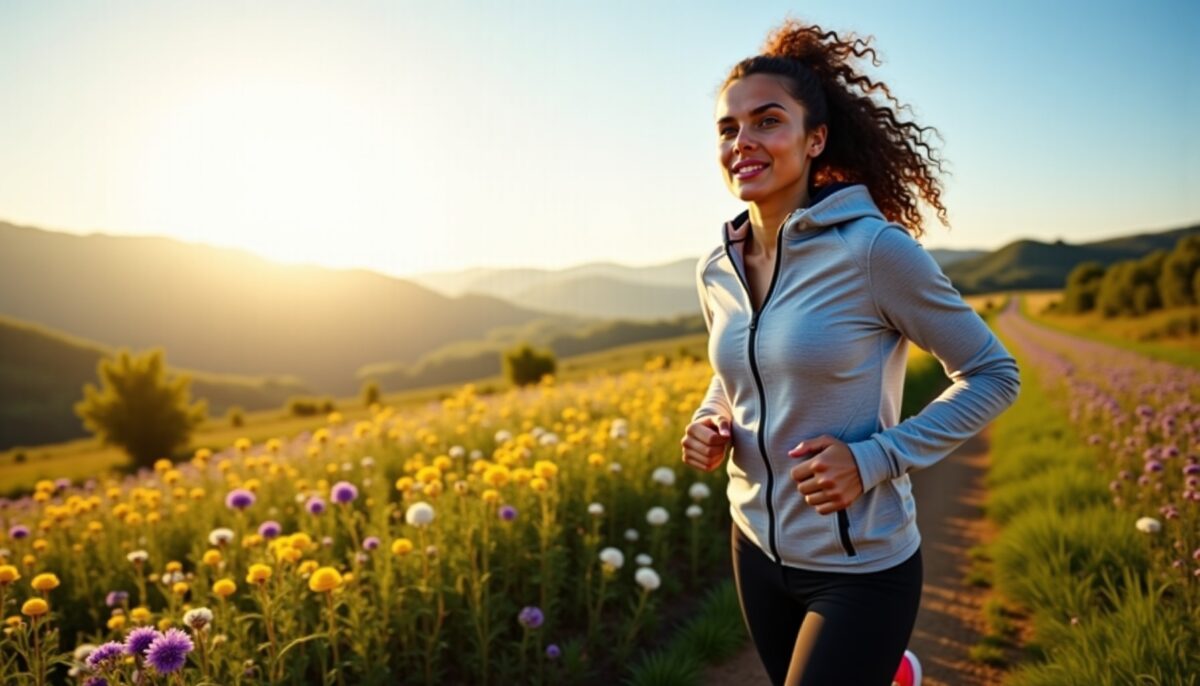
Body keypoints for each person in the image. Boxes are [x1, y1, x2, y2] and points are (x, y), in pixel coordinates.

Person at [679, 18, 1021, 686]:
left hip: (861, 566)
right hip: (754, 548)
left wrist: (872, 460)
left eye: (767, 121)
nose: (742, 142)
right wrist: (709, 419)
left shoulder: (872, 250)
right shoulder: (716, 267)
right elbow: (738, 373)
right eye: (728, 128)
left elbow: (993, 374)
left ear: (815, 140)